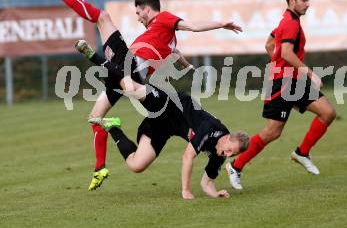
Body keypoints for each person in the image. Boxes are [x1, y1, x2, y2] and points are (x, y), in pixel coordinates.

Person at [46, 0, 242, 190]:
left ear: (148, 10)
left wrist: (221, 24)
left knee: (102, 17)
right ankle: (99, 168)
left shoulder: (164, 19)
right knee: (95, 117)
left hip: (130, 66)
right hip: (127, 72)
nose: (138, 18)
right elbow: (174, 53)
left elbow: (193, 26)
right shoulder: (167, 40)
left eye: (139, 13)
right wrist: (188, 66)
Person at [76, 43, 249, 199]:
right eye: (229, 151)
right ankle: (93, 55)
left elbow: (207, 183)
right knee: (131, 88)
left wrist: (215, 194)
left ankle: (112, 126)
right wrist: (186, 190)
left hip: (166, 126)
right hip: (169, 104)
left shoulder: (220, 155)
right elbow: (188, 155)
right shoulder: (209, 129)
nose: (228, 156)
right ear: (227, 138)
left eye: (232, 155)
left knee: (136, 165)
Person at [225, 0, 337, 190]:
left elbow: (269, 44)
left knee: (328, 112)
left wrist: (279, 64)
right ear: (292, 1)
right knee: (272, 132)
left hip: (292, 79)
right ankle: (235, 165)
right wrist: (309, 73)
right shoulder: (291, 23)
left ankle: (302, 153)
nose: (308, 4)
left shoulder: (288, 20)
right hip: (283, 83)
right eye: (304, 0)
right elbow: (285, 53)